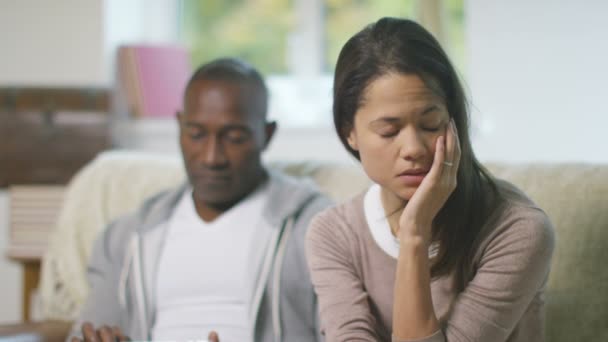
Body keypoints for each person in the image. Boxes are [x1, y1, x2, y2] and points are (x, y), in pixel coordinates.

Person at [306, 17, 555, 342]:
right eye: (389, 131)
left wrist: (413, 235)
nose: (413, 149)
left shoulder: (517, 229)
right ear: (349, 132)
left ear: (454, 122)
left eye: (431, 124)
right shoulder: (334, 234)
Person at [68, 58, 332, 342]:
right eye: (196, 134)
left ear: (266, 135)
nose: (211, 157)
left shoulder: (313, 227)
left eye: (233, 137)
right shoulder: (126, 236)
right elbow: (87, 332)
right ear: (180, 127)